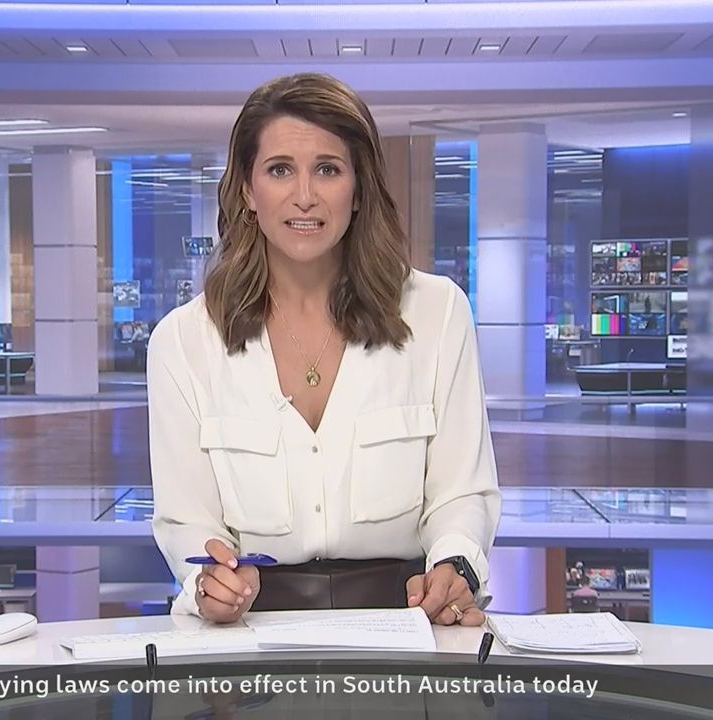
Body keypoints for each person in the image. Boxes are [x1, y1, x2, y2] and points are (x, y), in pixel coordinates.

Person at [148, 73, 501, 627]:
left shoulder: (438, 313)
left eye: (328, 169)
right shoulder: (184, 340)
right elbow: (186, 520)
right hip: (246, 632)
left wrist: (454, 564)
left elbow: (462, 493)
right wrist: (208, 582)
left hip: (407, 622)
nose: (305, 196)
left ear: (358, 189)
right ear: (247, 190)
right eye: (280, 169)